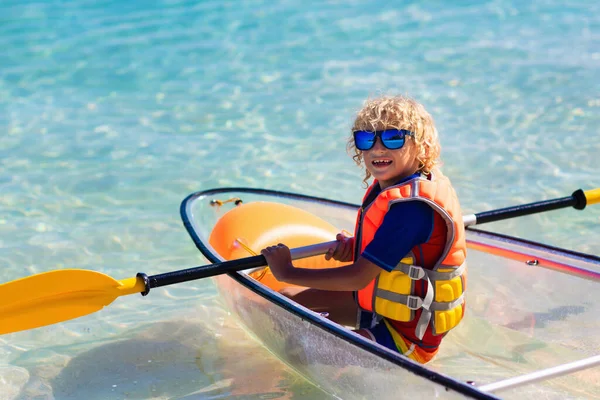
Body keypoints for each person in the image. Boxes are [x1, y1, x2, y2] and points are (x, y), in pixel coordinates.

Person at [261, 95, 467, 364]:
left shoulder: (412, 209)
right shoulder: (398, 187)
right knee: (287, 302)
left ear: (421, 145)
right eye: (366, 139)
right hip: (386, 309)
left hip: (408, 337)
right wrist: (358, 248)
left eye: (393, 138)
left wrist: (288, 271)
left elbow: (359, 278)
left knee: (300, 346)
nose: (377, 149)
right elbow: (401, 252)